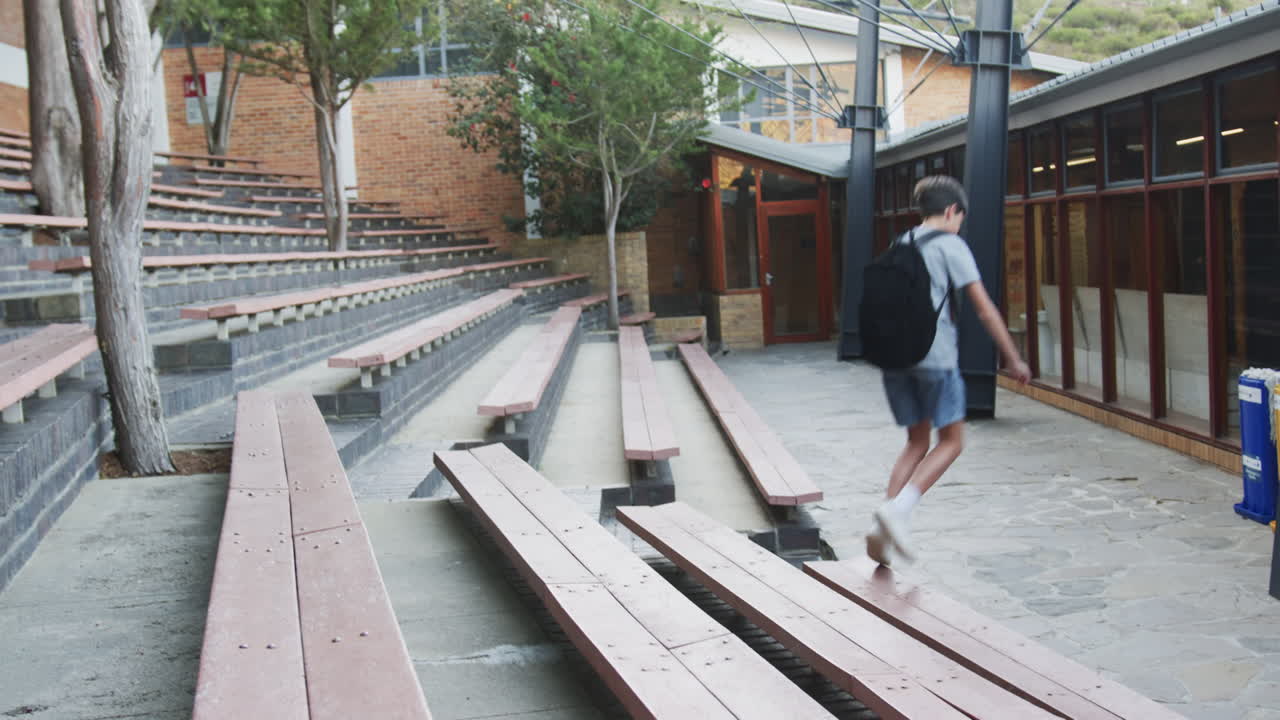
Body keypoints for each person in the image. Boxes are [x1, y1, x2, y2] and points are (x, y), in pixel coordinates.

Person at [867, 176, 1031, 567]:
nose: (959, 224)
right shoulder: (950, 245)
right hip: (935, 358)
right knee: (953, 441)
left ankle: (882, 530)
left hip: (896, 359)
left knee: (916, 442)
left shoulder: (900, 243)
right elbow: (983, 307)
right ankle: (899, 510)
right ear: (952, 211)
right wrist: (1012, 356)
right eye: (960, 217)